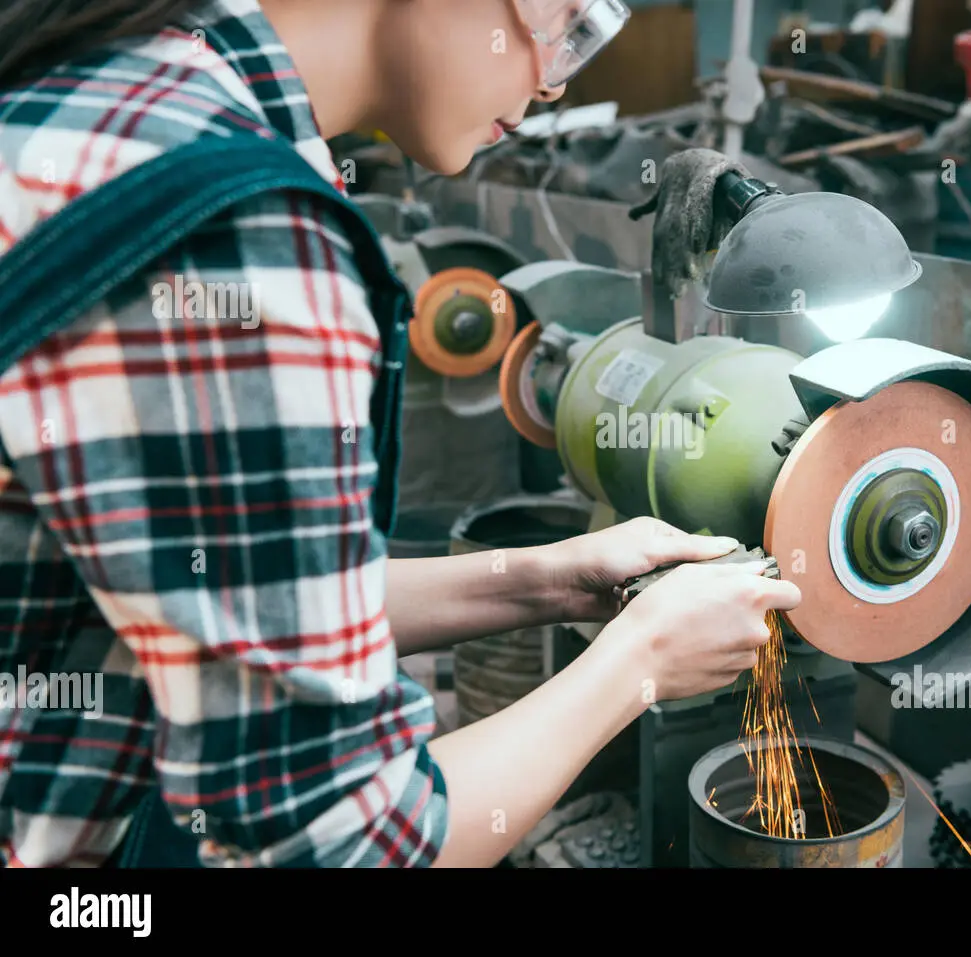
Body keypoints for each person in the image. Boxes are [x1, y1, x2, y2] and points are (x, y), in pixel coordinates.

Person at [0, 0, 802, 867]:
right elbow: (344, 844)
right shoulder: (246, 240)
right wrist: (640, 660)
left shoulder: (120, 94)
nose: (556, 77)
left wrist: (546, 580)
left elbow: (235, 593)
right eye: (565, 18)